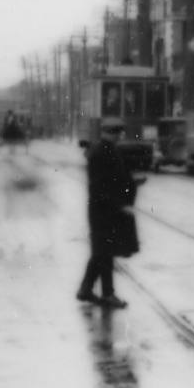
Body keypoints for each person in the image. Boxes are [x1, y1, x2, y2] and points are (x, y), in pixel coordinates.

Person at [76, 120, 137, 309]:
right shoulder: (105, 152)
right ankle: (107, 293)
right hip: (105, 210)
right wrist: (120, 204)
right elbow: (104, 185)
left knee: (102, 252)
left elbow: (113, 179)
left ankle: (86, 290)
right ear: (113, 134)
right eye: (118, 133)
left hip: (101, 209)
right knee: (104, 252)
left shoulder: (101, 149)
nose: (120, 137)